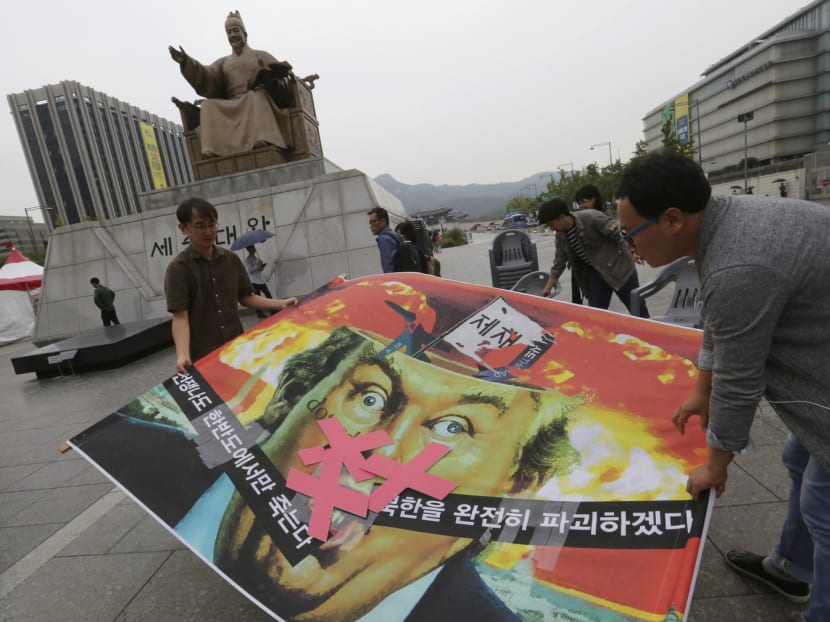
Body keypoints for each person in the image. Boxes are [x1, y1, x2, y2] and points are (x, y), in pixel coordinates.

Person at [211, 326, 576, 621]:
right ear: (290, 396)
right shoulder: (161, 458)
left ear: (517, 487)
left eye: (453, 428)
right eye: (371, 397)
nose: (380, 455)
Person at [616, 150, 830, 619]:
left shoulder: (738, 264)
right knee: (798, 454)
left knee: (823, 503)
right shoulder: (731, 223)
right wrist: (700, 388)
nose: (629, 247)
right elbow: (721, 322)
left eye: (629, 234)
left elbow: (740, 376)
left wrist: (716, 464)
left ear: (672, 220)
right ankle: (791, 566)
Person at [164, 197, 297, 373]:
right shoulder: (179, 268)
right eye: (200, 226)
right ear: (183, 228)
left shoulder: (230, 259)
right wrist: (182, 355)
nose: (208, 231)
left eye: (212, 225)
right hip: (203, 356)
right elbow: (180, 316)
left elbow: (246, 297)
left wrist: (280, 303)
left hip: (236, 349)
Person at [169, 12, 291, 157]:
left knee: (255, 95)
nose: (232, 35)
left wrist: (272, 82)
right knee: (208, 105)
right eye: (229, 32)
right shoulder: (223, 62)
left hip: (257, 101)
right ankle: (211, 150)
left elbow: (283, 78)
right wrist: (186, 62)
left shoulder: (261, 55)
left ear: (245, 34)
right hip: (231, 103)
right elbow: (207, 75)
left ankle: (262, 139)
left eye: (235, 30)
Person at [538, 198, 648, 317]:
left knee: (638, 309)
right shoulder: (561, 235)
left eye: (551, 224)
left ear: (561, 217)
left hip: (620, 269)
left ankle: (651, 333)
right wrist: (547, 289)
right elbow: (559, 262)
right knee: (595, 315)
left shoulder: (591, 217)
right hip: (597, 274)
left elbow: (618, 235)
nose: (551, 228)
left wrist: (633, 251)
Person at [569, 184, 607, 304]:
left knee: (636, 305)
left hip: (614, 270)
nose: (581, 206)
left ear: (594, 199)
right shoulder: (580, 220)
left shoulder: (603, 219)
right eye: (579, 203)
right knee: (596, 309)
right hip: (593, 271)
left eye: (584, 202)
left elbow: (619, 237)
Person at [368, 207, 402, 273]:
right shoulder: (394, 235)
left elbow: (388, 266)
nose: (371, 226)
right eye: (370, 223)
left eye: (373, 222)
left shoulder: (383, 238)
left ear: (383, 221)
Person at [244, 245, 272, 318]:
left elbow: (259, 270)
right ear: (249, 250)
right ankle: (259, 314)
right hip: (254, 281)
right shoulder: (247, 260)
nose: (254, 250)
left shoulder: (257, 258)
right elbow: (249, 270)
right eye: (253, 248)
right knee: (257, 298)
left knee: (268, 294)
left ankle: (273, 310)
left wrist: (262, 266)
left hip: (261, 280)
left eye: (254, 248)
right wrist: (257, 266)